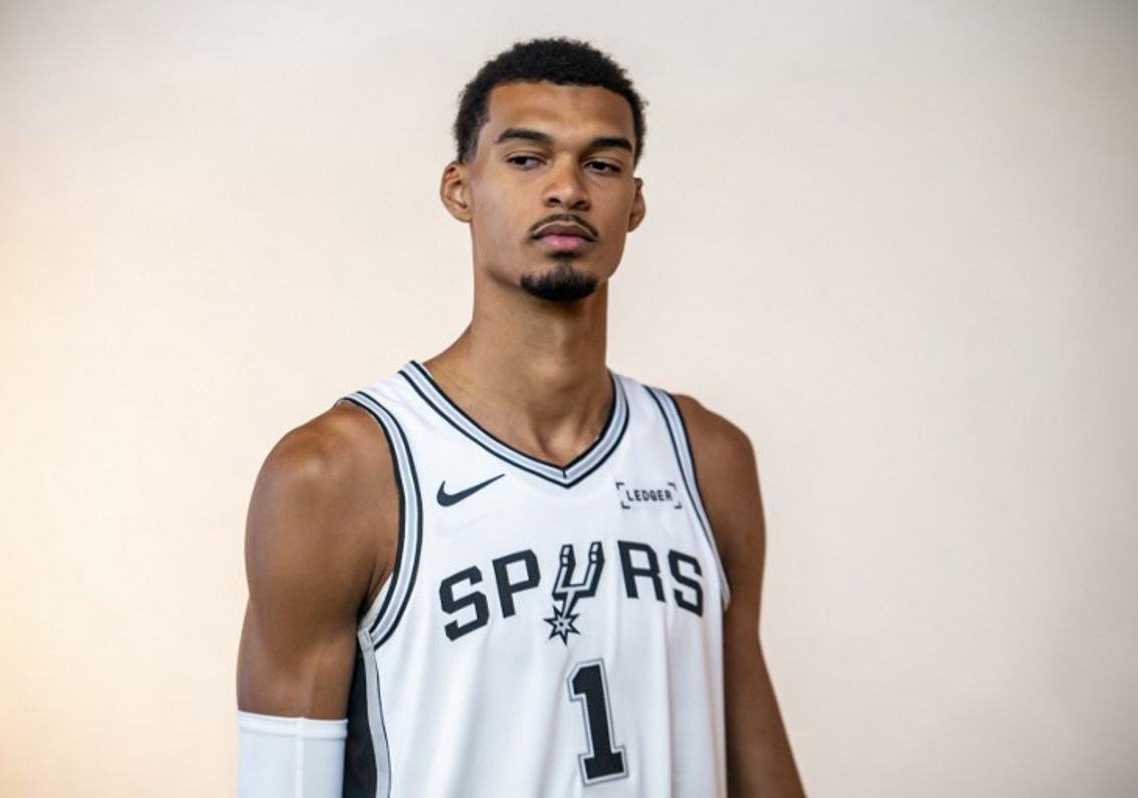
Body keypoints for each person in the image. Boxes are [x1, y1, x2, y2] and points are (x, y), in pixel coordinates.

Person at [236, 36, 806, 797]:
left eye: (601, 164)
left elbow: (752, 753)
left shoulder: (707, 458)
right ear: (459, 188)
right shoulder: (339, 471)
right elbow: (285, 782)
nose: (567, 189)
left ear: (634, 202)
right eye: (527, 158)